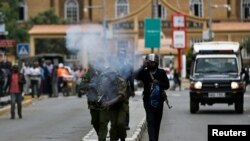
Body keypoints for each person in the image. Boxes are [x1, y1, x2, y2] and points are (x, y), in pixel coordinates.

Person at [135, 53, 170, 141]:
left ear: (156, 62)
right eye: (149, 62)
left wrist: (158, 83)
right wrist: (143, 66)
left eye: (152, 62)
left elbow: (167, 85)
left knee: (157, 123)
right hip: (147, 101)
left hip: (159, 101)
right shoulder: (145, 72)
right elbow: (136, 76)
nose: (151, 64)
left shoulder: (161, 72)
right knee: (150, 121)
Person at [82, 65, 110, 141]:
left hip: (104, 103)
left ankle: (102, 139)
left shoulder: (107, 73)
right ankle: (101, 136)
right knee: (95, 122)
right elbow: (82, 86)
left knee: (103, 122)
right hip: (93, 104)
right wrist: (91, 85)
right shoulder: (89, 74)